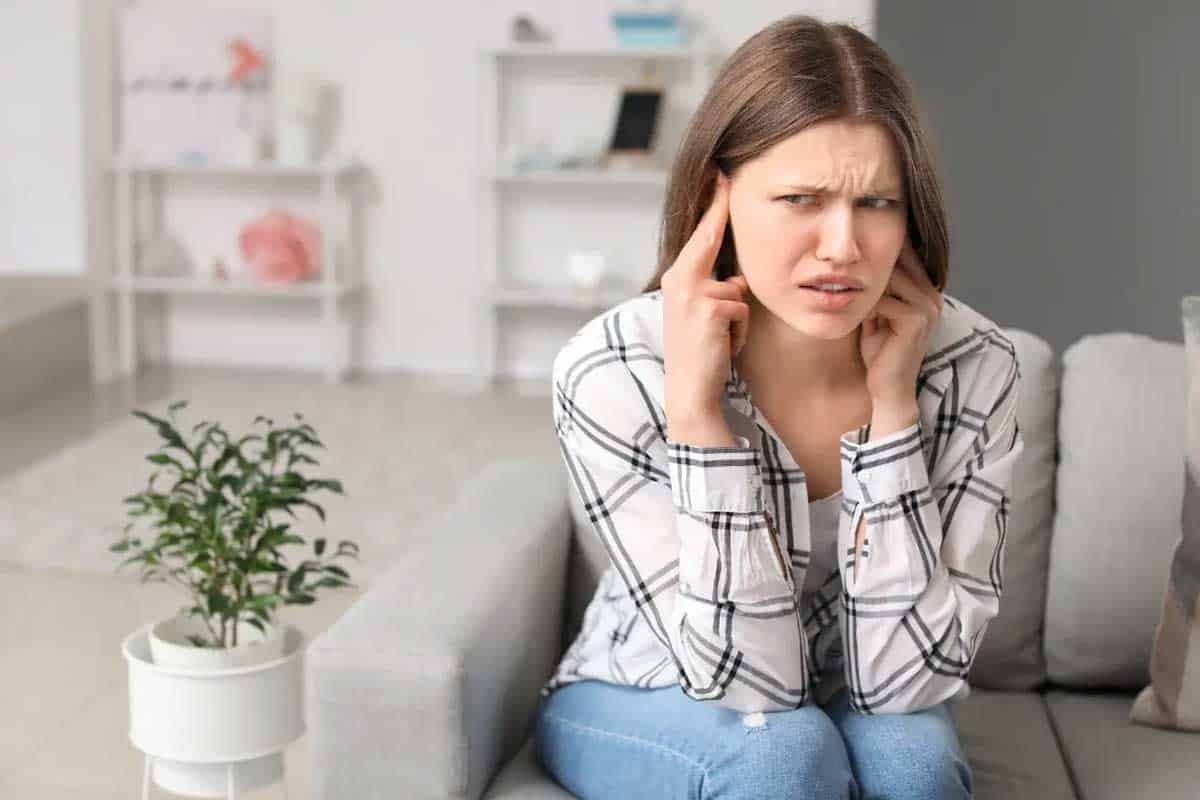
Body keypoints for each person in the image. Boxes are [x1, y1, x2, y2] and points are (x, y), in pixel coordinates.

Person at [535, 13, 1025, 800]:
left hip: (854, 686)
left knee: (915, 766)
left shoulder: (973, 366)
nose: (842, 246)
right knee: (780, 757)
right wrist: (698, 420)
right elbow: (745, 683)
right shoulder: (613, 371)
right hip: (647, 685)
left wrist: (894, 412)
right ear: (713, 198)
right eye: (801, 198)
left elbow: (907, 685)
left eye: (876, 203)